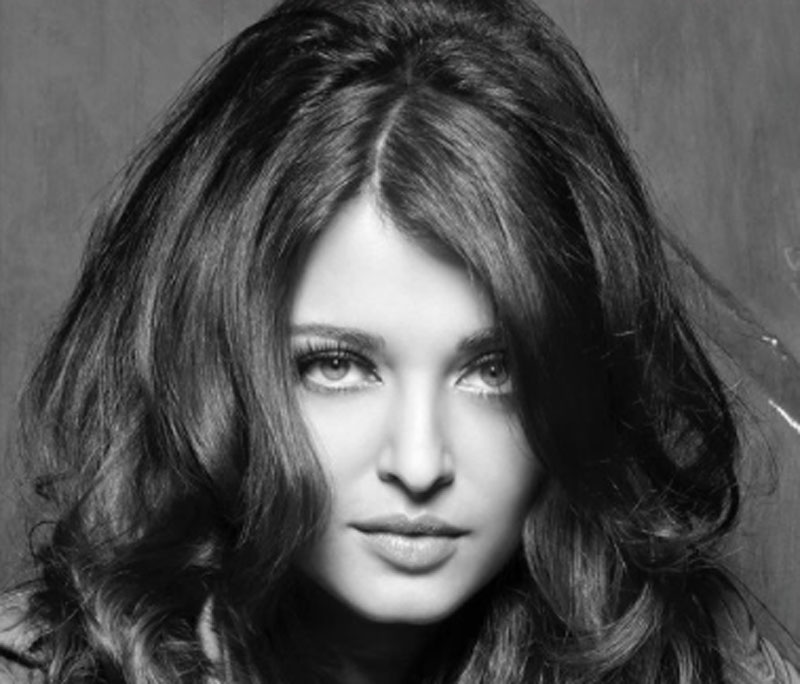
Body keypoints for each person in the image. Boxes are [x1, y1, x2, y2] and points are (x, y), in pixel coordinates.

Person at [1, 0, 798, 682]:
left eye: (495, 371)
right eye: (336, 365)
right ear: (211, 368)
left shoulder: (701, 661)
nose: (419, 466)